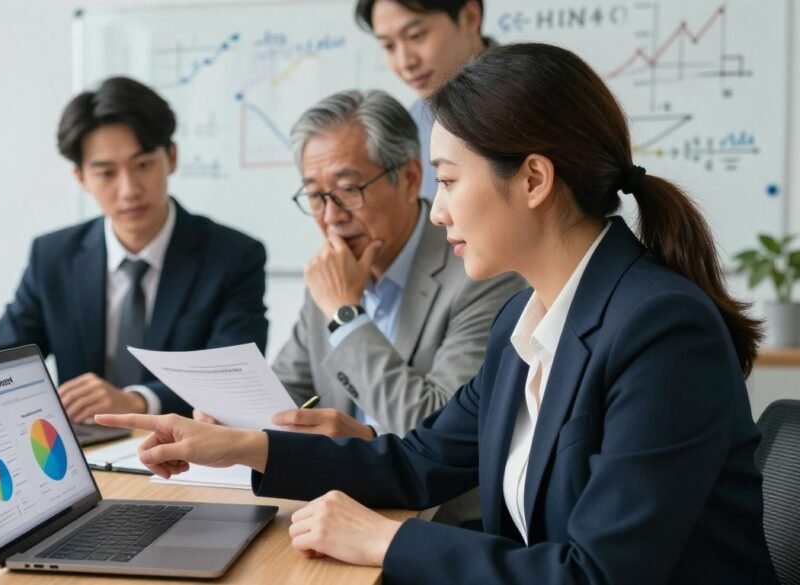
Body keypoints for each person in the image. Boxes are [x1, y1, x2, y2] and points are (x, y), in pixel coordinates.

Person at [96, 44, 778, 584]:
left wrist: (386, 539)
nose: (440, 209)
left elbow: (596, 573)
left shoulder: (660, 329)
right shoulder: (526, 320)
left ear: (534, 180)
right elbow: (416, 462)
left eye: (449, 180)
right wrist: (239, 446)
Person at [0, 76, 268, 422]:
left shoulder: (233, 257)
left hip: (184, 450)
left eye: (144, 165)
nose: (129, 190)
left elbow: (235, 377)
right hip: (81, 452)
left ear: (172, 156)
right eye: (106, 173)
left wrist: (136, 402)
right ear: (81, 178)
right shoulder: (53, 256)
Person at [244, 90, 523, 438]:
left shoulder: (479, 272)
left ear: (409, 178)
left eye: (347, 190)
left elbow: (442, 430)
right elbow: (288, 394)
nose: (331, 218)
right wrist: (234, 416)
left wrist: (345, 314)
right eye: (316, 196)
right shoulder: (334, 271)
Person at [355, 0, 490, 198]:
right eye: (389, 46)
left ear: (470, 17)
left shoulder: (533, 98)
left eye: (415, 36)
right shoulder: (413, 125)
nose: (405, 62)